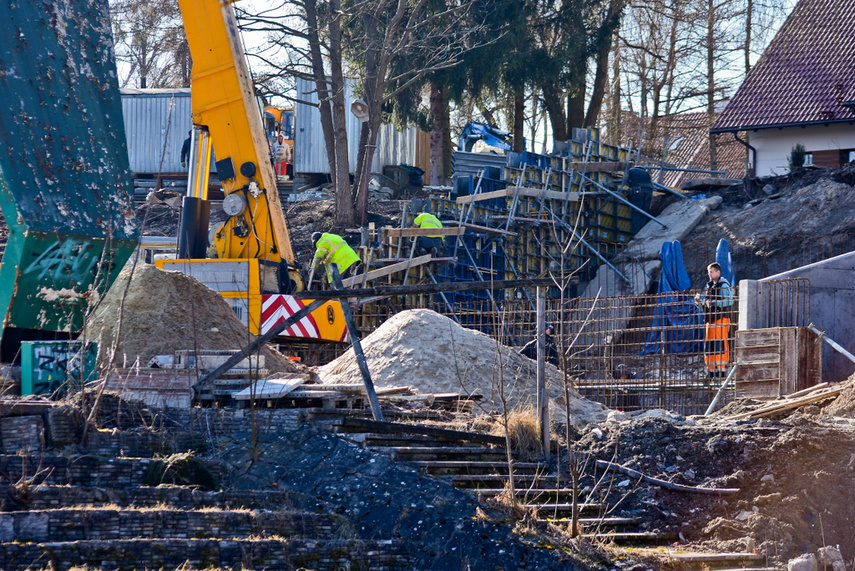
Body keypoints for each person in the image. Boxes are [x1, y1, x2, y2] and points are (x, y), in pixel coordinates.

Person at [696, 262, 734, 377]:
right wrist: (700, 304)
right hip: (710, 320)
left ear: (718, 272)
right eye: (709, 272)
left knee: (720, 344)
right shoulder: (708, 286)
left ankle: (722, 371)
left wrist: (714, 303)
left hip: (721, 319)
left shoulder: (723, 285)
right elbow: (706, 305)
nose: (709, 274)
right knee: (709, 345)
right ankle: (712, 371)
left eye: (711, 271)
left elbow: (730, 301)